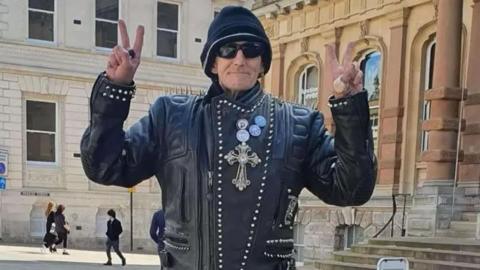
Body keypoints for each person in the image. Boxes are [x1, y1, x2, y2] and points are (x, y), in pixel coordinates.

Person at [81, 6, 376, 270]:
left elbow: (351, 189)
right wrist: (115, 89)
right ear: (212, 62)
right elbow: (105, 166)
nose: (239, 58)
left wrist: (349, 104)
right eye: (227, 50)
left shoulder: (298, 123)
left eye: (250, 49)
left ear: (262, 63)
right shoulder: (172, 117)